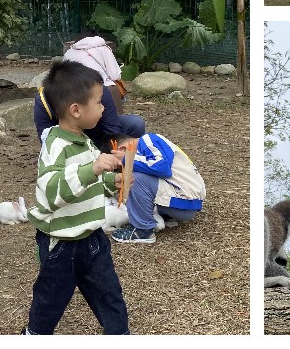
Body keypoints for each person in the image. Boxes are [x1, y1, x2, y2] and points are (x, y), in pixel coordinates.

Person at [24, 62, 129, 335]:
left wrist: (111, 181)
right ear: (76, 110)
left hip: (93, 239)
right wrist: (93, 168)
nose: (104, 108)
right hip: (62, 246)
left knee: (111, 299)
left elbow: (89, 182)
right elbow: (51, 193)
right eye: (99, 102)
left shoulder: (85, 141)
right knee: (49, 303)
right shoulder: (54, 147)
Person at [111, 131, 205, 245]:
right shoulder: (152, 147)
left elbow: (162, 168)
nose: (123, 168)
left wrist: (127, 159)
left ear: (122, 149)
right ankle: (165, 216)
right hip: (185, 203)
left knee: (134, 177)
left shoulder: (147, 139)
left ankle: (142, 230)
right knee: (142, 173)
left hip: (184, 200)